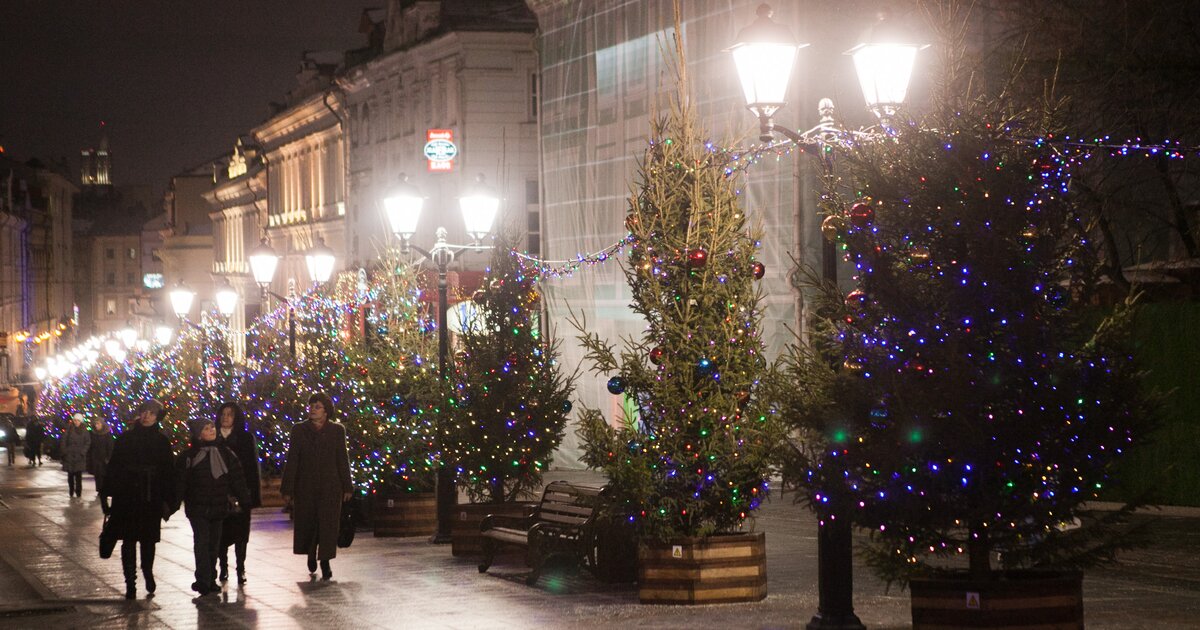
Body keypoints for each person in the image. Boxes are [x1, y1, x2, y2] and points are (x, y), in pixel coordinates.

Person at [101, 400, 176, 600]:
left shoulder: (161, 441)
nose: (147, 416)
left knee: (148, 540)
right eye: (144, 412)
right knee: (128, 540)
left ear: (157, 417)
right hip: (127, 496)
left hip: (151, 496)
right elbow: (114, 467)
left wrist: (169, 500)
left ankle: (147, 572)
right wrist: (106, 495)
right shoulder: (125, 439)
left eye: (151, 413)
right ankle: (130, 582)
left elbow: (169, 472)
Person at [281, 392, 353, 580]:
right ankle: (311, 553)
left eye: (317, 406)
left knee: (328, 525)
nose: (313, 409)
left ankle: (326, 561)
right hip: (306, 485)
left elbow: (342, 459)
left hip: (330, 485)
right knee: (309, 521)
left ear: (326, 411)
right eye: (311, 406)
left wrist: (347, 486)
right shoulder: (299, 430)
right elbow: (293, 460)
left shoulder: (337, 431)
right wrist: (287, 488)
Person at [175, 419, 249, 597]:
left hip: (218, 507)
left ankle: (211, 579)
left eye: (212, 427)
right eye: (206, 429)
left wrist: (245, 500)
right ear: (198, 433)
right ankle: (203, 579)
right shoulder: (189, 456)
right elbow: (180, 482)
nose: (211, 430)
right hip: (198, 508)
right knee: (201, 543)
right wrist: (172, 503)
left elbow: (237, 478)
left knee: (213, 545)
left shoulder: (224, 453)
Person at [215, 402, 260, 584]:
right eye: (223, 414)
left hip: (240, 492)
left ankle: (240, 567)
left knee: (241, 533)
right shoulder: (213, 436)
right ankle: (223, 567)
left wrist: (252, 496)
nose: (226, 418)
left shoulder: (244, 438)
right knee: (221, 534)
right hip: (218, 494)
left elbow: (252, 468)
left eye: (230, 414)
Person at [62, 413, 92, 498]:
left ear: (81, 421)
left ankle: (78, 492)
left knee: (78, 476)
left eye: (78, 420)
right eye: (75, 420)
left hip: (79, 456)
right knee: (70, 476)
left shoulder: (84, 430)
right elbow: (64, 440)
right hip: (70, 456)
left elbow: (87, 442)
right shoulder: (69, 429)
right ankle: (71, 490)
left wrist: (83, 452)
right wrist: (65, 451)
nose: (76, 422)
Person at [87, 416, 115, 500]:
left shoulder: (107, 434)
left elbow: (110, 446)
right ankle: (99, 490)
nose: (96, 425)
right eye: (95, 424)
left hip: (104, 458)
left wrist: (108, 457)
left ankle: (104, 490)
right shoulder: (93, 433)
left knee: (104, 475)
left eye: (98, 424)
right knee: (97, 475)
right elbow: (91, 445)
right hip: (95, 457)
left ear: (102, 424)